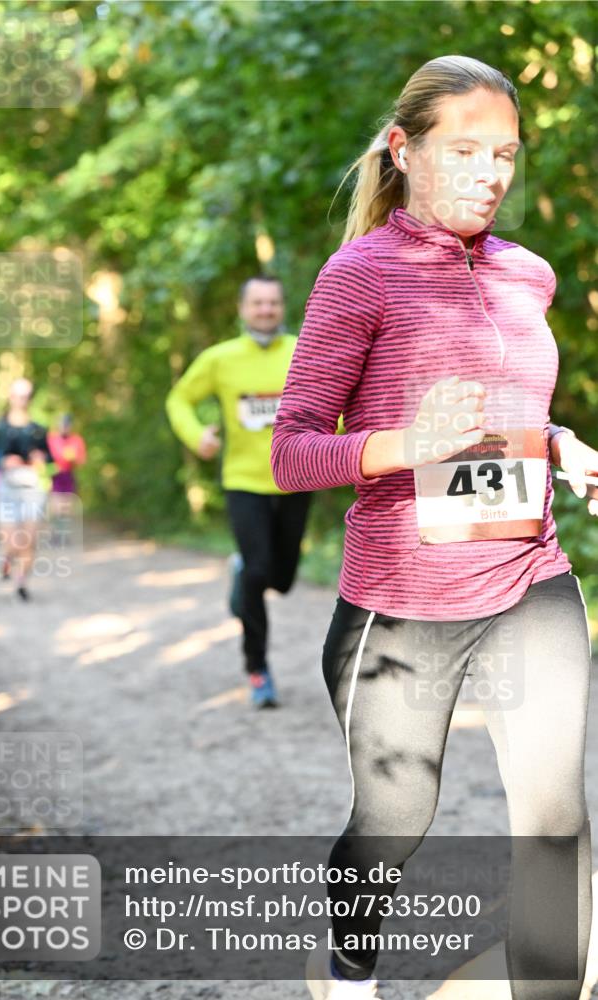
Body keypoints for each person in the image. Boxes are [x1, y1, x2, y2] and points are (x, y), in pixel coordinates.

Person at [271, 55, 597, 1000]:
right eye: (463, 151)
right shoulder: (359, 274)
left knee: (552, 819)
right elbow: (293, 451)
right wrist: (404, 444)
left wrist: (563, 443)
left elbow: (513, 412)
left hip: (528, 577)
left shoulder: (526, 275)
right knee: (396, 816)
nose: (488, 174)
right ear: (403, 151)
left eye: (503, 154)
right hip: (401, 600)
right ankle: (346, 964)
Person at [165, 275, 313, 708]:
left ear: (283, 307)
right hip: (243, 481)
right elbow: (179, 400)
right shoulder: (220, 358)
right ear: (242, 309)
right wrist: (198, 437)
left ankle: (243, 573)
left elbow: (335, 403)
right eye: (257, 303)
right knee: (256, 570)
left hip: (296, 476)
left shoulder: (303, 351)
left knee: (282, 580)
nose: (265, 310)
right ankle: (258, 669)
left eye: (272, 302)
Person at [0, 378, 54, 601]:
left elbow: (50, 457)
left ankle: (21, 582)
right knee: (12, 541)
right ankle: (6, 558)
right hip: (7, 487)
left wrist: (41, 458)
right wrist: (4, 461)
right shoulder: (0, 428)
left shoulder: (38, 429)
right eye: (17, 395)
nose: (21, 400)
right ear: (10, 397)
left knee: (29, 540)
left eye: (25, 395)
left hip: (32, 487)